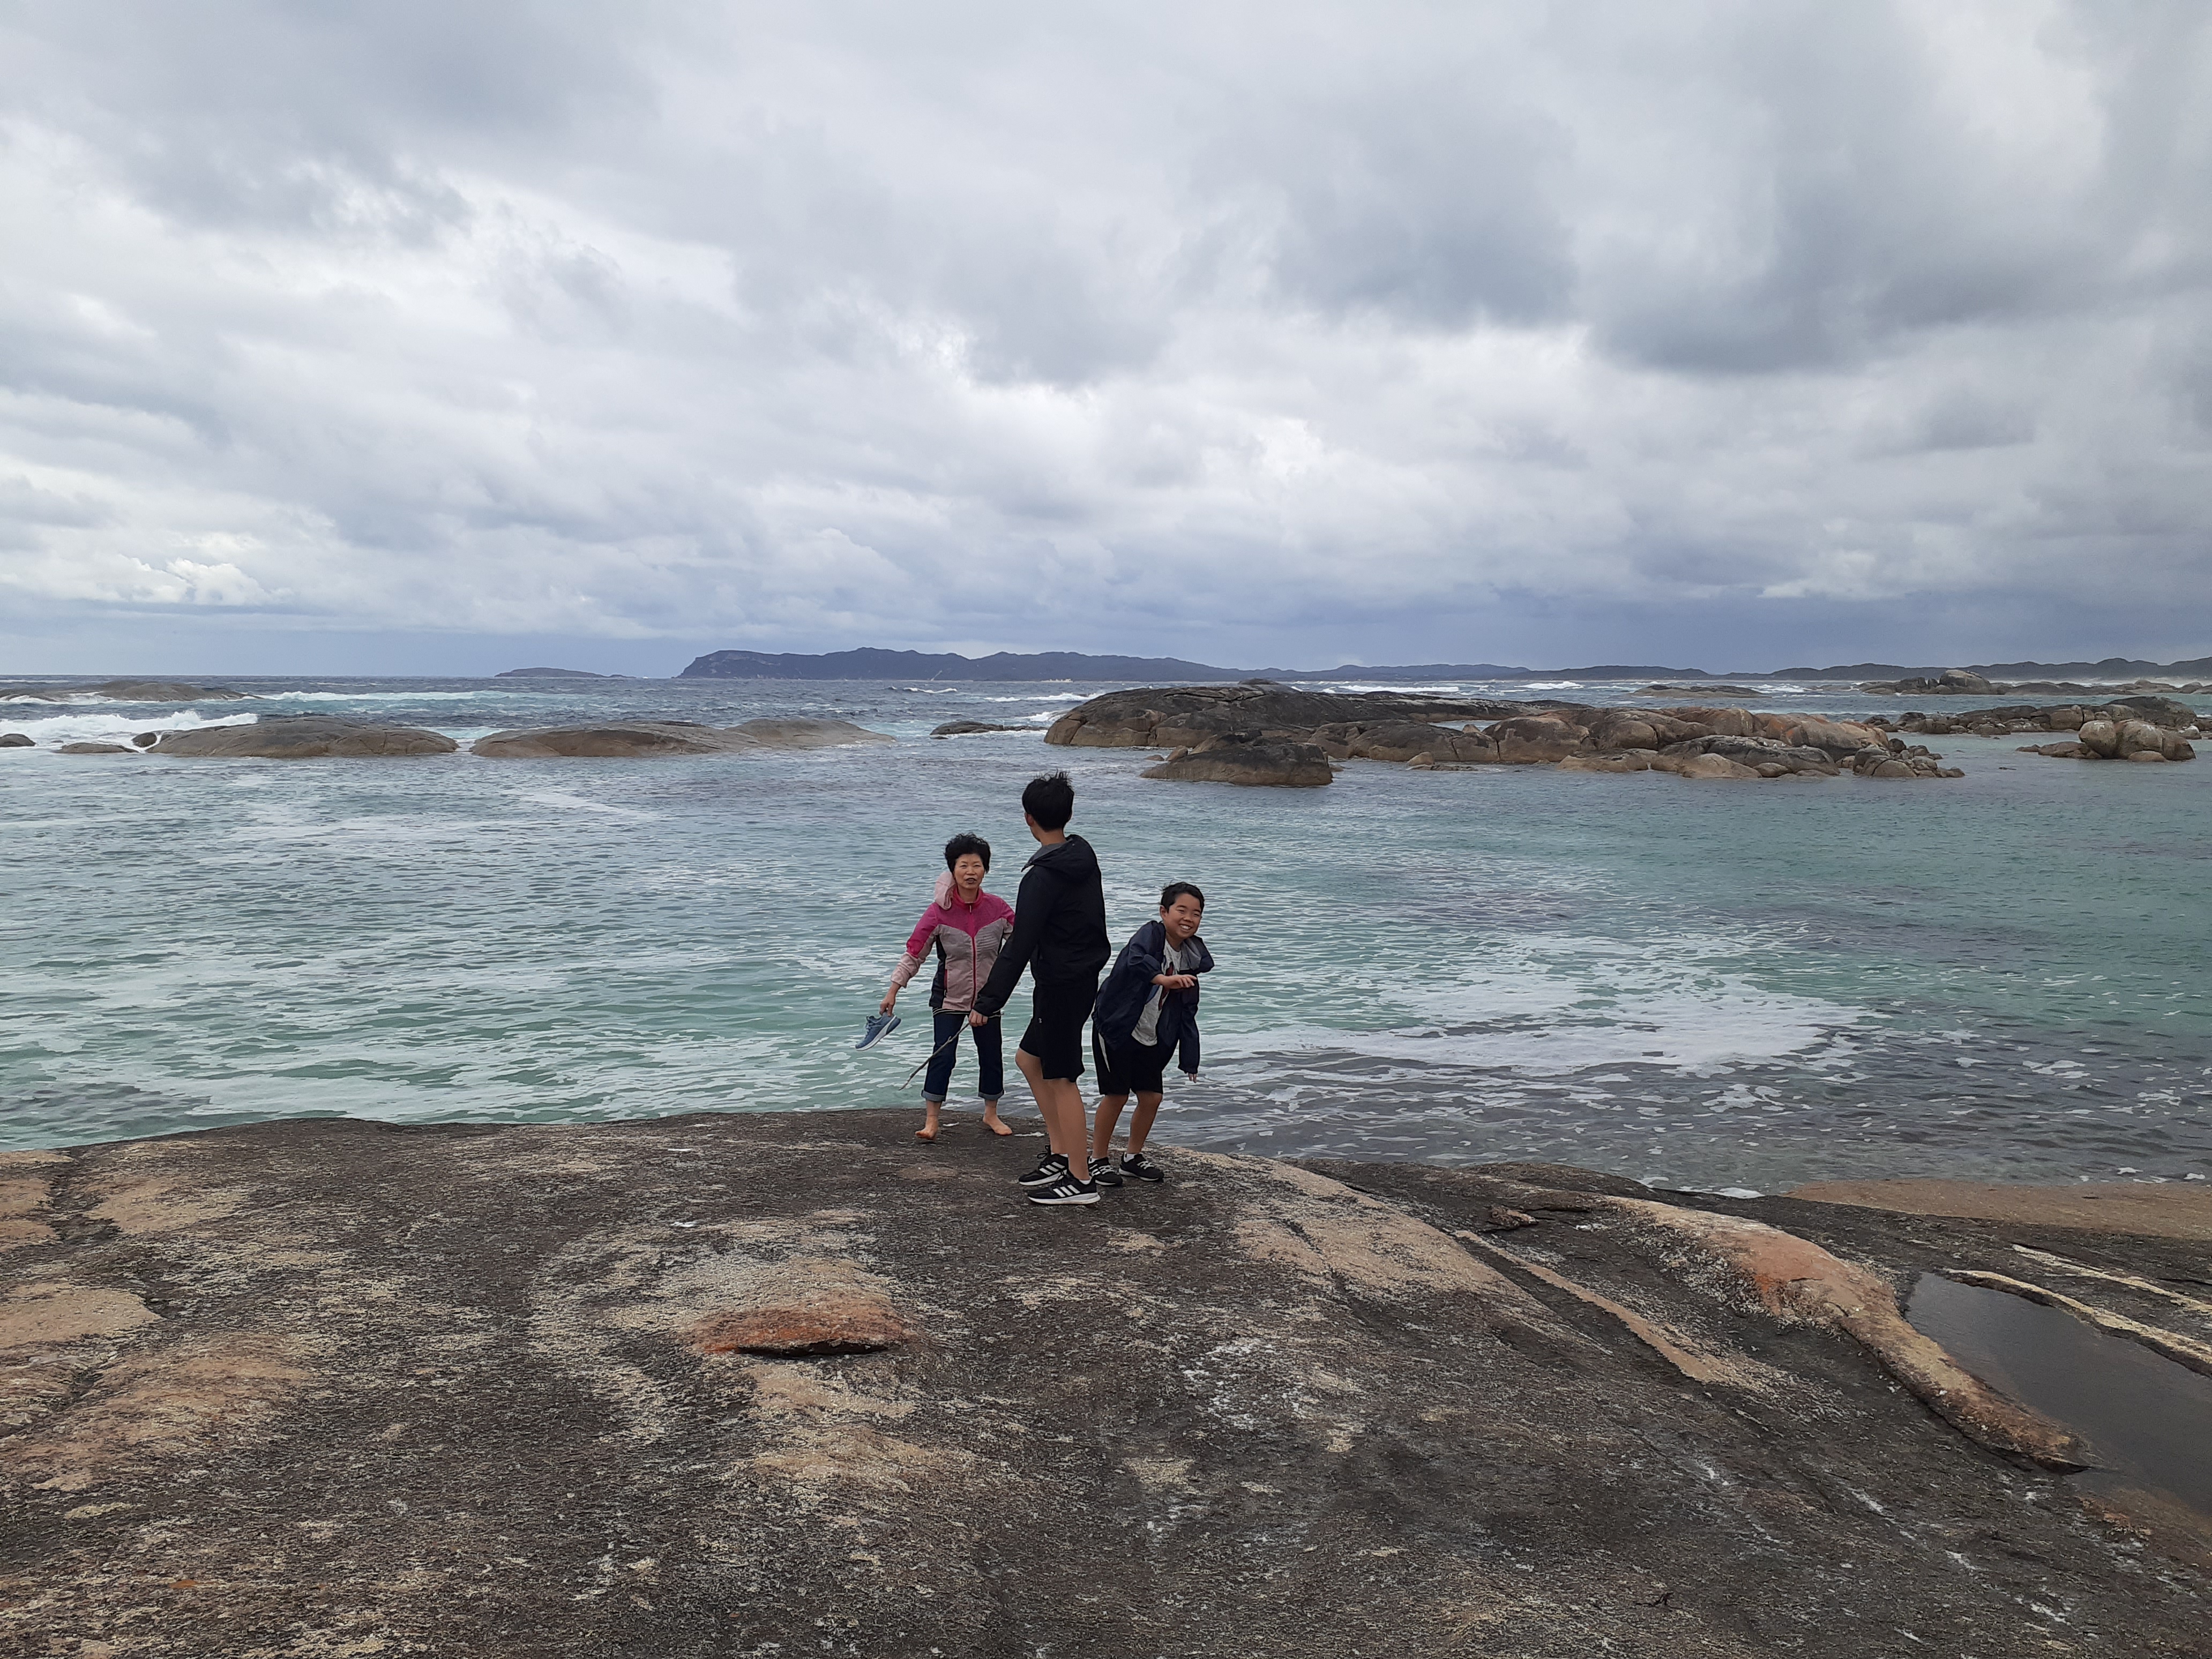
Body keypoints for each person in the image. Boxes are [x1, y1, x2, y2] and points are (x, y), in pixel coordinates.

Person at [970, 771, 1110, 1207]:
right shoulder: (1082, 856)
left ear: (1028, 818)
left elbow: (1020, 945)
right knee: (1029, 1059)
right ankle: (1062, 1152)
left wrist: (987, 1002)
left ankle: (1081, 1180)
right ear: (1068, 814)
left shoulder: (1042, 876)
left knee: (1062, 1078)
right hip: (1078, 979)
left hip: (1062, 984)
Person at [881, 833, 1017, 1142]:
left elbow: (1022, 947)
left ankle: (991, 1114)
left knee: (991, 1055)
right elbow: (914, 953)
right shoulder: (938, 912)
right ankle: (932, 1120)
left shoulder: (998, 909)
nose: (971, 872)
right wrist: (894, 990)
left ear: (986, 870)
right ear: (953, 870)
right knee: (943, 1056)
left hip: (987, 999)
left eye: (977, 865)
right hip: (949, 996)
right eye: (963, 866)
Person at [1088, 883, 1212, 1185]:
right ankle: (1097, 1160)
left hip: (1150, 1034)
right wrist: (1161, 979)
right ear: (1164, 912)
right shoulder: (1151, 935)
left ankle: (1132, 1158)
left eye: (1196, 913)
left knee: (1152, 1097)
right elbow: (1135, 960)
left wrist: (1190, 1058)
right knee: (1116, 1095)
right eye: (1181, 910)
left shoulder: (1191, 956)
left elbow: (1187, 1012)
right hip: (1117, 1026)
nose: (1189, 919)